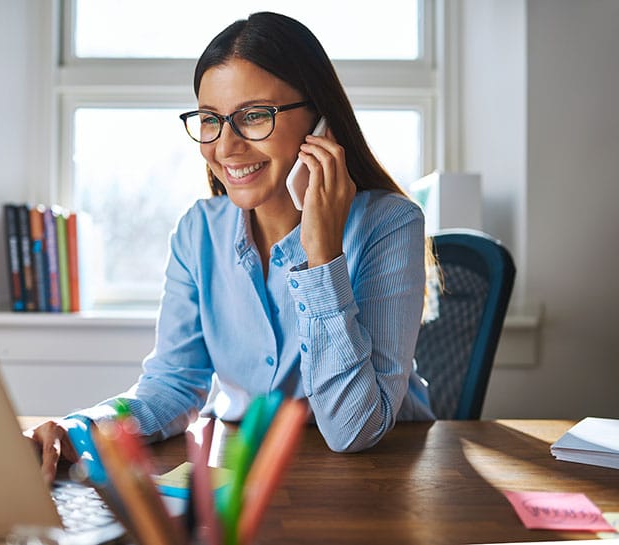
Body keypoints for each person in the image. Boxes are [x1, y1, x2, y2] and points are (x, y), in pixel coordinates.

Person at [26, 11, 434, 484]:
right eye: (210, 120)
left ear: (320, 120)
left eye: (254, 116)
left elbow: (353, 430)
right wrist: (83, 428)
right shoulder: (199, 232)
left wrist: (321, 254)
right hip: (245, 474)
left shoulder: (388, 224)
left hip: (383, 477)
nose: (226, 146)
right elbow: (174, 385)